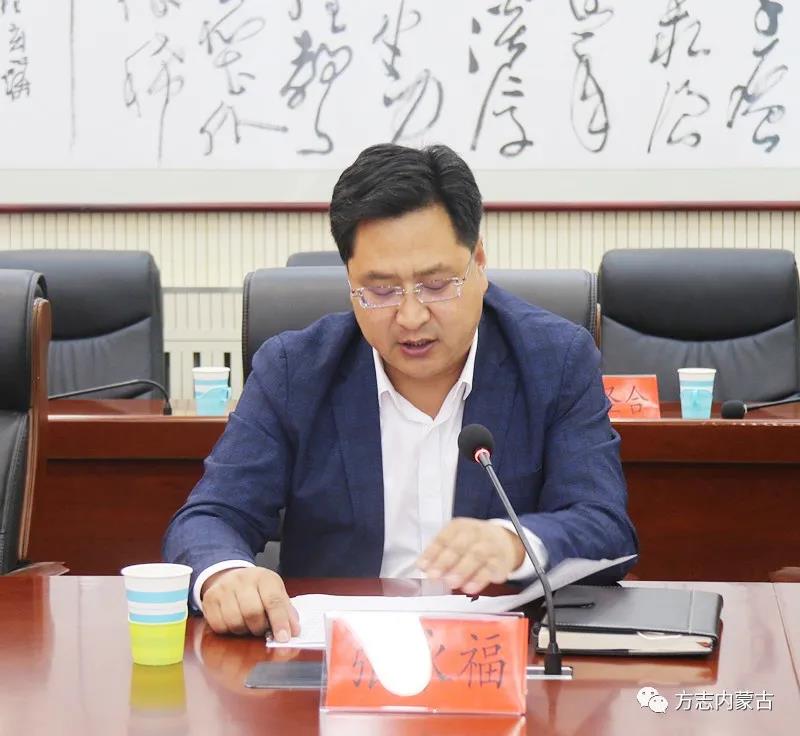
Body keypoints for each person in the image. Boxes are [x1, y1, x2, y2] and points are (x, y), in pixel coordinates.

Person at [163, 143, 638, 639]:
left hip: (495, 655)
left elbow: (605, 526)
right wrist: (226, 574)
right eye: (381, 290)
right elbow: (210, 516)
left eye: (436, 285)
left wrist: (516, 544)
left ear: (478, 262)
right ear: (349, 281)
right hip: (335, 658)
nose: (411, 317)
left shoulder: (554, 360)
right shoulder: (294, 370)